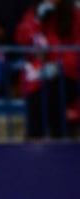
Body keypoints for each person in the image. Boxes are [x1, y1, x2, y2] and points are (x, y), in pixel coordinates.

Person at [14, 0, 80, 138]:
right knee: (40, 98)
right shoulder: (34, 14)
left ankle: (40, 141)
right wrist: (37, 20)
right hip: (39, 79)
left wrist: (59, 65)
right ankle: (39, 144)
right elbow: (23, 39)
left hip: (69, 76)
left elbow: (76, 50)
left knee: (47, 97)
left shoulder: (75, 15)